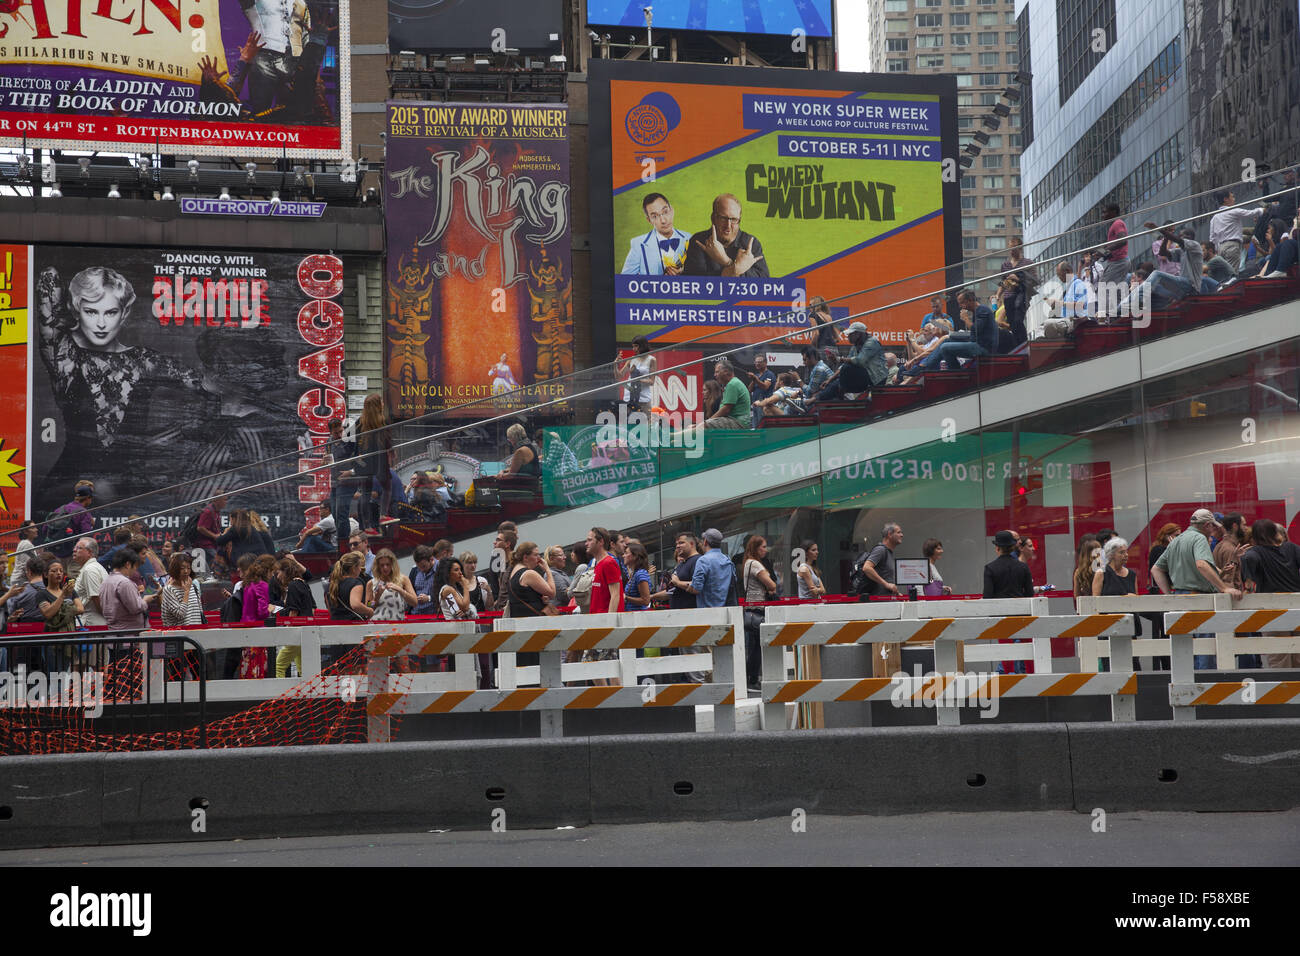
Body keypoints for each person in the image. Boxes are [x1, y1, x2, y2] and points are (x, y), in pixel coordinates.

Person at [34, 266, 212, 504]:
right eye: (90, 311)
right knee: (101, 492)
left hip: (130, 488)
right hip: (71, 486)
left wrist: (182, 431)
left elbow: (213, 390)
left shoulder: (145, 360)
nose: (100, 323)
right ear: (77, 310)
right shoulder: (65, 358)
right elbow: (48, 280)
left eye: (110, 312)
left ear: (124, 313)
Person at [1151, 509, 1244, 669]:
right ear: (1207, 525)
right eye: (1213, 527)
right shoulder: (1200, 538)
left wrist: (1169, 594)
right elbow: (1201, 564)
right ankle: (1206, 688)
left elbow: (1156, 569)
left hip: (1180, 598)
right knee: (1205, 649)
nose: (1215, 530)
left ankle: (1189, 685)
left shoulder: (1177, 540)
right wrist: (1223, 588)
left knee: (1186, 648)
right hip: (1199, 599)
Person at [1239, 518, 1300, 667]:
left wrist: (1247, 578)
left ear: (1256, 536)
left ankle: (1282, 689)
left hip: (1273, 610)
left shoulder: (1256, 551)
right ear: (1275, 532)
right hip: (1297, 607)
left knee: (1279, 656)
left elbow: (1249, 560)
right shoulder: (1291, 548)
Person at [684, 194, 768, 278]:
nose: (728, 226)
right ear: (713, 218)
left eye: (734, 219)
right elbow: (694, 283)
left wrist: (726, 261)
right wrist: (734, 271)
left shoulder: (751, 243)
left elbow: (765, 283)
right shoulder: (698, 241)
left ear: (739, 220)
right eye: (723, 218)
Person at [914, 292, 996, 372]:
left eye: (962, 303)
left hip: (983, 347)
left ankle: (956, 372)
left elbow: (973, 330)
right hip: (975, 342)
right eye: (933, 307)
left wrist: (965, 318)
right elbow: (922, 330)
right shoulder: (927, 316)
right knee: (946, 340)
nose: (960, 306)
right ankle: (923, 366)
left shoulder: (982, 310)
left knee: (945, 347)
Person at [808, 322, 887, 403]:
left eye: (850, 335)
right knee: (836, 382)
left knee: (846, 370)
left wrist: (838, 359)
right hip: (866, 378)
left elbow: (859, 360)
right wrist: (830, 380)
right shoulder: (855, 346)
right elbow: (845, 364)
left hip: (876, 380)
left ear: (857, 334)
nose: (848, 337)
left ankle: (841, 394)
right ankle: (814, 400)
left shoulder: (872, 342)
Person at [354, 394, 394, 534]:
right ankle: (383, 515)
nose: (383, 403)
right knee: (387, 487)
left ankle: (366, 526)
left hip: (364, 461)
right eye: (381, 401)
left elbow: (354, 441)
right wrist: (391, 453)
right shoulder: (383, 421)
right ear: (378, 405)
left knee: (365, 493)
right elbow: (388, 442)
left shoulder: (359, 422)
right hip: (380, 460)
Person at [623, 192, 690, 275]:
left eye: (665, 212)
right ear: (649, 220)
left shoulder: (689, 238)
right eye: (655, 216)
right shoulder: (638, 245)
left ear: (672, 210)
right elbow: (624, 281)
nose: (663, 220)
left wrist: (683, 273)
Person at [1209, 189, 1267, 272]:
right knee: (1232, 273)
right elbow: (1250, 213)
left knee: (1224, 273)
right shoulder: (1233, 211)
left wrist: (1217, 250)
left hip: (1220, 248)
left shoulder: (1214, 218)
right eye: (1232, 197)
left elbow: (1212, 238)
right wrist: (1263, 210)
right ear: (1225, 199)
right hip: (1232, 246)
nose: (1234, 199)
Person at [99, 549, 156, 630]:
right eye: (135, 566)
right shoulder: (124, 583)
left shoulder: (106, 582)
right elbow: (136, 608)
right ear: (128, 564)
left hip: (114, 631)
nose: (135, 570)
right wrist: (145, 600)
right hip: (129, 634)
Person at [1097, 203, 1131, 319]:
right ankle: (1117, 314)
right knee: (1114, 290)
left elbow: (1123, 241)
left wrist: (1103, 251)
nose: (1103, 215)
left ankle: (1108, 316)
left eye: (1105, 212)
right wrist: (1102, 252)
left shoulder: (1117, 223)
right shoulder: (1114, 225)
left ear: (1114, 212)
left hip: (1119, 262)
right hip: (1118, 261)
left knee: (1104, 287)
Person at [507, 541, 557, 618]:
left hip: (521, 619)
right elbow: (552, 593)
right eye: (535, 555)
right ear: (525, 557)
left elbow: (526, 595)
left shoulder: (514, 571)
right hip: (534, 620)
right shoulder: (529, 574)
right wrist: (547, 569)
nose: (539, 558)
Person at [367, 548, 418, 622]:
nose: (385, 568)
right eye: (382, 565)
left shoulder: (403, 579)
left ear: (393, 564)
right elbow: (368, 606)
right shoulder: (371, 583)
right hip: (377, 626)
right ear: (377, 566)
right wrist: (376, 598)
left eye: (388, 564)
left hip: (398, 626)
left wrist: (401, 591)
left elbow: (415, 602)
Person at [691, 528, 734, 609]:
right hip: (724, 610)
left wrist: (678, 582)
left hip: (706, 613)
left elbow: (696, 589)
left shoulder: (703, 560)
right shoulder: (727, 560)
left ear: (705, 542)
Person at [36, 558, 83, 633]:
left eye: (61, 571)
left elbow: (81, 609)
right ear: (45, 574)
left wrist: (58, 610)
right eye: (54, 571)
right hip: (53, 635)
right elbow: (48, 614)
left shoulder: (70, 591)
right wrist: (63, 596)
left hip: (71, 634)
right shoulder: (42, 594)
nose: (58, 573)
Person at [585, 527, 624, 615]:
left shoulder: (609, 563)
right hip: (598, 619)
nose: (586, 543)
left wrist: (609, 622)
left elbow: (615, 595)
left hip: (605, 621)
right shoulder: (599, 563)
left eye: (590, 540)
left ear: (601, 542)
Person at [702, 358, 751, 430]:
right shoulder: (733, 383)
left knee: (701, 427)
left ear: (726, 372)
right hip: (736, 421)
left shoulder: (732, 384)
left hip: (737, 422)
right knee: (697, 426)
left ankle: (680, 437)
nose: (714, 375)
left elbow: (726, 409)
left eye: (717, 372)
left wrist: (708, 422)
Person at [858, 523, 903, 598]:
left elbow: (885, 577)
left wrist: (896, 592)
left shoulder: (888, 552)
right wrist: (886, 584)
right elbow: (867, 568)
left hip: (885, 600)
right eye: (898, 532)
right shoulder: (880, 550)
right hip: (878, 601)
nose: (902, 535)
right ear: (889, 534)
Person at [160, 552, 205, 628]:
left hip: (196, 632)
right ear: (175, 569)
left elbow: (199, 611)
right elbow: (180, 614)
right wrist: (186, 592)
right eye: (182, 568)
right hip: (179, 636)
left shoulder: (193, 586)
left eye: (188, 568)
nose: (186, 571)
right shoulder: (169, 589)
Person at [71, 537, 107, 626]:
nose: (74, 550)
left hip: (92, 623)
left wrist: (109, 618)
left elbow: (96, 597)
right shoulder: (92, 567)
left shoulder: (90, 569)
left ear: (90, 553)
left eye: (79, 548)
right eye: (75, 547)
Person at [326, 551, 370, 621]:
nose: (360, 569)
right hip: (353, 624)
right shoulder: (357, 582)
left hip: (335, 624)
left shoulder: (331, 584)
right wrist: (370, 610)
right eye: (359, 566)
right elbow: (357, 604)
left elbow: (329, 608)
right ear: (353, 568)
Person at [616, 335, 657, 410]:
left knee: (646, 420)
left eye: (636, 346)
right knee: (627, 420)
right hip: (629, 396)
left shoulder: (651, 359)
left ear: (643, 345)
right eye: (633, 346)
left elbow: (651, 381)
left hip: (643, 397)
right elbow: (619, 376)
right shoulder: (631, 360)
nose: (634, 349)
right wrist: (615, 364)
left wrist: (637, 380)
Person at [434, 556, 477, 621]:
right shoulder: (447, 589)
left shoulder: (454, 588)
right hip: (454, 628)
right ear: (448, 573)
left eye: (460, 569)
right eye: (456, 570)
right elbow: (465, 607)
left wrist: (465, 611)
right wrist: (465, 586)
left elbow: (461, 611)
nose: (460, 573)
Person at [1213, 513, 1246, 591]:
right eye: (1243, 525)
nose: (1246, 528)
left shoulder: (1221, 545)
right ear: (1235, 526)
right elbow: (1228, 579)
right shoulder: (1230, 549)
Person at [743, 354, 776, 427]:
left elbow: (765, 387)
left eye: (760, 362)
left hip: (764, 405)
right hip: (755, 404)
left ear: (765, 363)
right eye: (756, 362)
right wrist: (753, 379)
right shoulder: (757, 375)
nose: (757, 363)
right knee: (755, 426)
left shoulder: (769, 374)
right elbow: (750, 389)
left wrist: (755, 379)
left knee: (762, 426)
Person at [622, 541, 653, 610]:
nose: (623, 556)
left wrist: (626, 598)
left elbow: (646, 601)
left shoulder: (640, 574)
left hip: (637, 617)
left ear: (635, 556)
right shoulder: (635, 573)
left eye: (626, 553)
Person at [7, 520, 39, 587]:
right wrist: (33, 583)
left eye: (35, 527)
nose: (36, 529)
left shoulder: (25, 543)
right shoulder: (26, 544)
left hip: (21, 580)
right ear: (25, 531)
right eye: (33, 528)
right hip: (21, 581)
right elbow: (26, 566)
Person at [410, 545, 437, 615]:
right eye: (419, 567)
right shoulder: (415, 570)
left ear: (431, 559)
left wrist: (429, 598)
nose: (421, 569)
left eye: (424, 566)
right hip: (415, 614)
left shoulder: (441, 570)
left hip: (433, 614)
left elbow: (445, 593)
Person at [546, 546, 571, 610]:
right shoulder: (553, 574)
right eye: (561, 555)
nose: (564, 557)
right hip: (561, 613)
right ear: (551, 559)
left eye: (564, 555)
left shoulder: (559, 573)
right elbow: (565, 595)